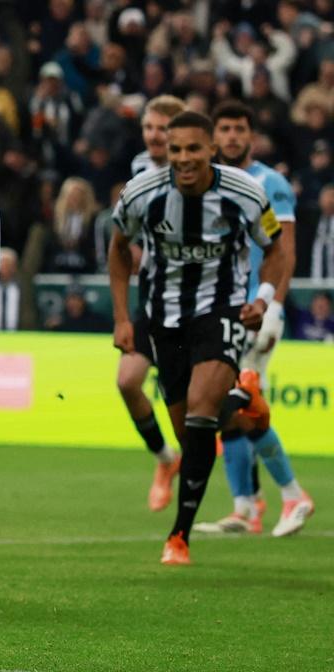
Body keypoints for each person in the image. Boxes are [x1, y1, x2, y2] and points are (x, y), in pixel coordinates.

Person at [109, 111, 288, 565]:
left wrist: (264, 298)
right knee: (193, 435)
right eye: (176, 150)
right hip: (162, 316)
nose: (184, 159)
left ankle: (179, 536)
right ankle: (247, 406)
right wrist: (122, 318)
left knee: (201, 413)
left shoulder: (246, 193)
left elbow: (276, 248)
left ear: (211, 148)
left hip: (220, 309)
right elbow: (117, 248)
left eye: (193, 148)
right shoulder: (142, 193)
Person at [193, 101, 314, 537]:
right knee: (230, 407)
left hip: (257, 310)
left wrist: (276, 305)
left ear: (251, 135)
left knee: (237, 401)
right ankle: (246, 507)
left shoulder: (271, 182)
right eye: (223, 128)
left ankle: (292, 495)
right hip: (222, 310)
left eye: (238, 129)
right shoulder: (213, 182)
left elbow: (287, 249)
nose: (230, 136)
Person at [118, 95, 187, 513]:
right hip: (156, 298)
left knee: (200, 405)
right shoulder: (140, 169)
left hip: (199, 302)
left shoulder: (202, 173)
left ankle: (248, 497)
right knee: (128, 382)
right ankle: (166, 460)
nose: (154, 136)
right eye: (149, 128)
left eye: (163, 128)